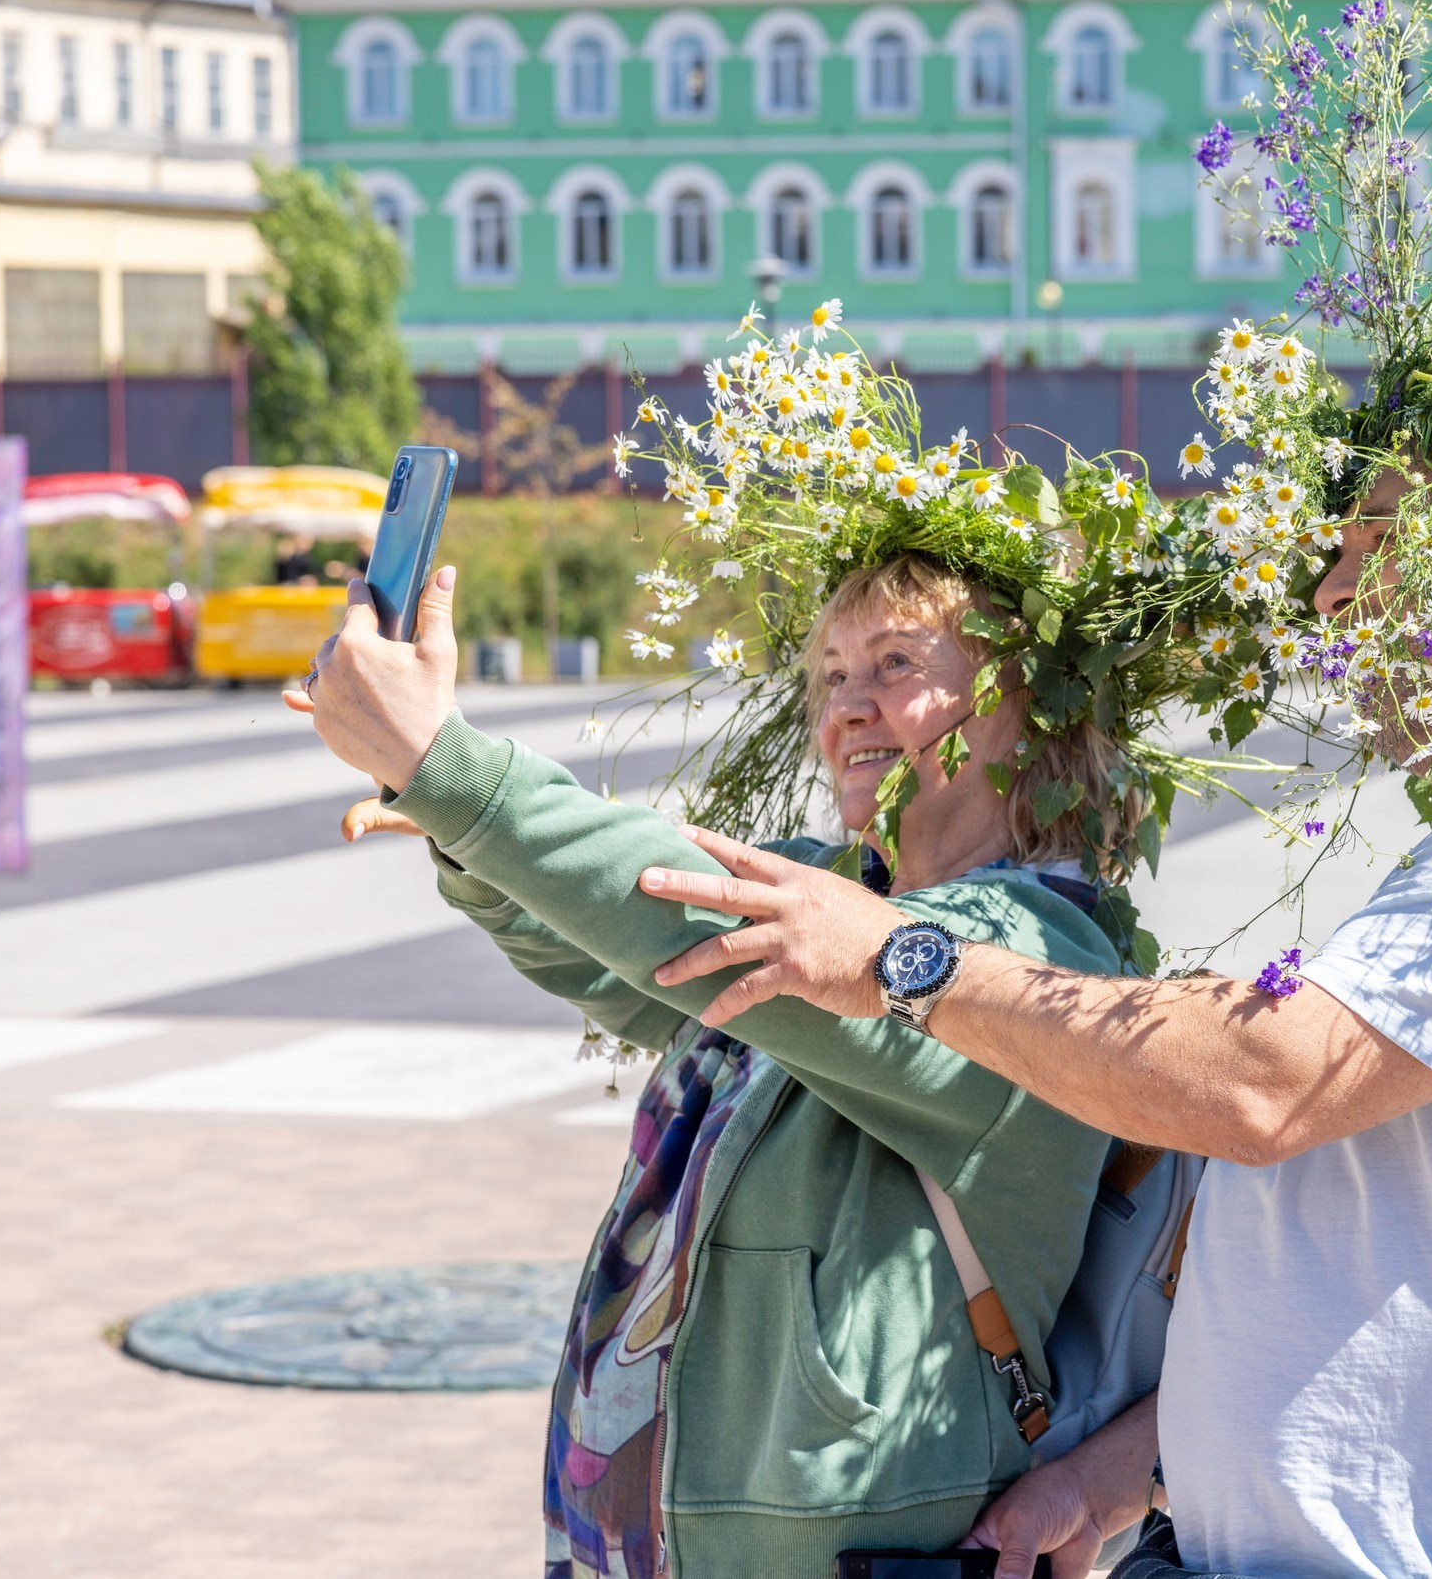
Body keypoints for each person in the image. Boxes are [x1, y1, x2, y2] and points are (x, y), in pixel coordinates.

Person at [631, 463, 1432, 1579]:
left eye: (1380, 542)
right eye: (1337, 549)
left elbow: (1264, 1081)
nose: (1332, 590)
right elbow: (1382, 1247)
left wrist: (898, 955)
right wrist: (1117, 1471)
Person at [295, 554, 1151, 1577]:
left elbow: (694, 921)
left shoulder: (1036, 953)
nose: (851, 707)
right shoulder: (841, 891)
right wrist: (459, 823)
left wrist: (454, 771)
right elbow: (636, 949)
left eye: (894, 662)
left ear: (1034, 711)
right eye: (833, 676)